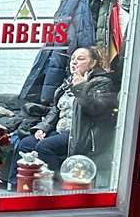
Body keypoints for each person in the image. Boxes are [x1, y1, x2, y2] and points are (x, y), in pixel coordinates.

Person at [11, 45, 117, 175]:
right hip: (60, 130)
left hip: (82, 134)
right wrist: (43, 127)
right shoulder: (68, 82)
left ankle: (57, 184)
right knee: (26, 143)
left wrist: (80, 87)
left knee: (44, 147)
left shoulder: (102, 82)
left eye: (80, 59)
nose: (74, 62)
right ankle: (18, 185)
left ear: (93, 62)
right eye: (72, 59)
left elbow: (96, 109)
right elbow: (56, 109)